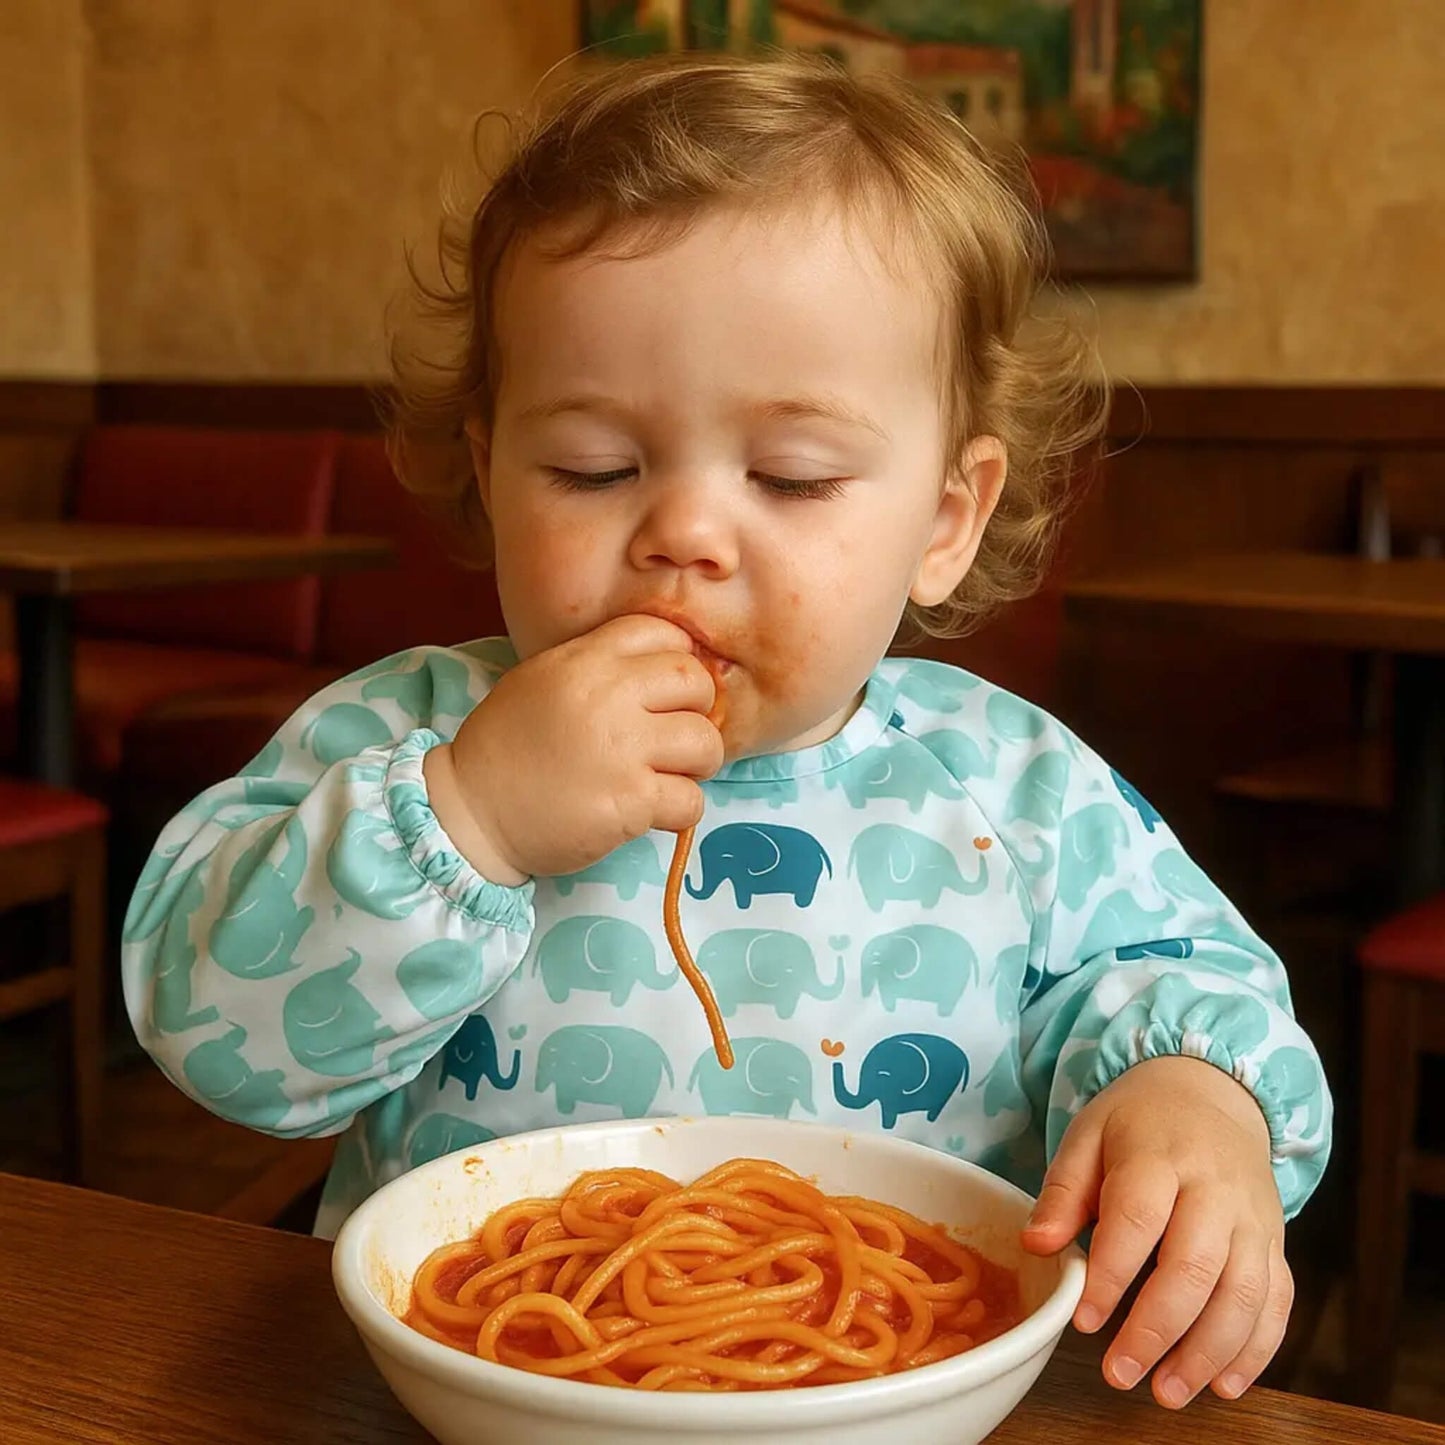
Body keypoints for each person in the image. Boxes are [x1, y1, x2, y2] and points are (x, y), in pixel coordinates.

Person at [123, 52, 1329, 1409]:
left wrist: (1194, 1096)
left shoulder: (1014, 787)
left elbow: (1183, 981)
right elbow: (210, 1033)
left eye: (791, 475)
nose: (683, 535)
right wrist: (468, 818)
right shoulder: (403, 740)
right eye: (592, 467)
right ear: (487, 467)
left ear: (944, 517)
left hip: (902, 1389)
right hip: (480, 1387)